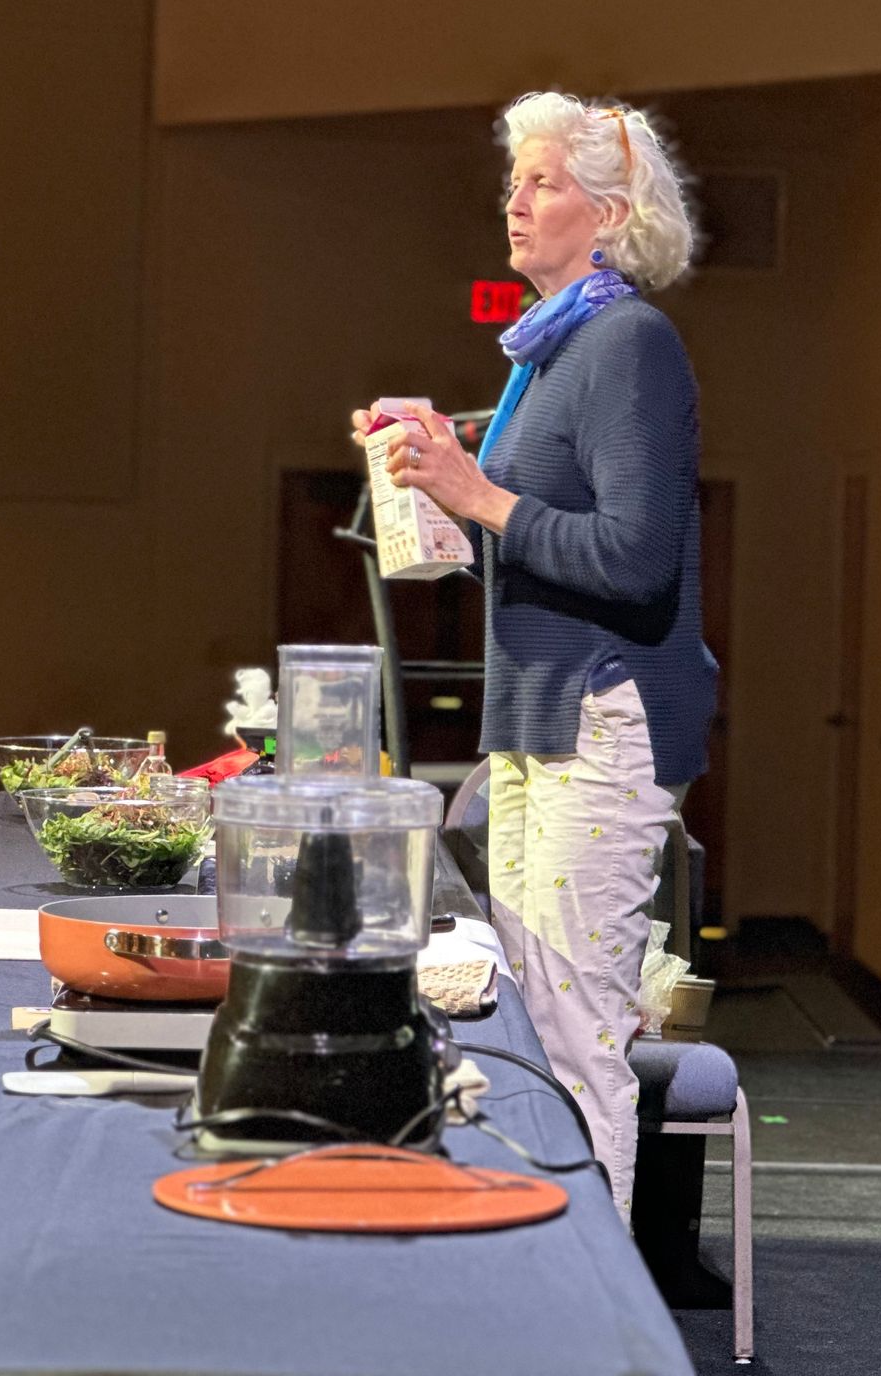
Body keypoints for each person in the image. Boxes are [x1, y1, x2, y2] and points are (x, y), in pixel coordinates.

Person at [350, 93, 717, 1219]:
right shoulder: (546, 351)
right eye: (515, 178)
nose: (515, 197)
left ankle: (595, 1324)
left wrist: (482, 490)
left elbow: (638, 559)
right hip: (539, 712)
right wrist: (444, 495)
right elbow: (540, 561)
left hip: (602, 719)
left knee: (572, 1040)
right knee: (528, 1025)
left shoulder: (627, 344)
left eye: (543, 180)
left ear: (608, 214)